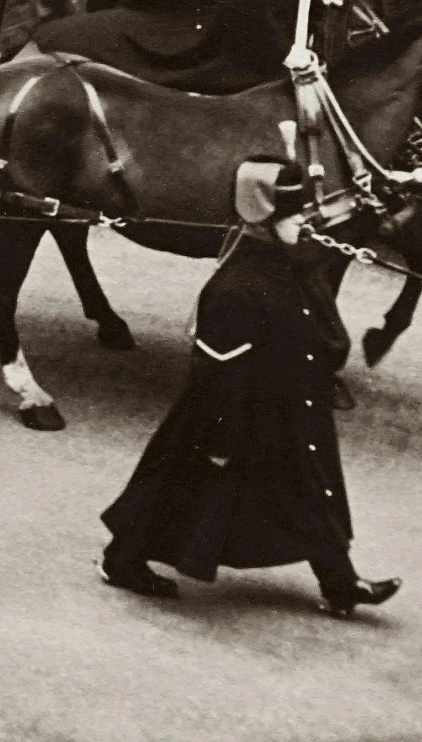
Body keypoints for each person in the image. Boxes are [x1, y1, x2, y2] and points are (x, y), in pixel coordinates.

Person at [100, 163, 400, 618]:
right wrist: (220, 438)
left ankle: (340, 583)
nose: (305, 222)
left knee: (310, 486)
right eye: (294, 216)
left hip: (286, 407)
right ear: (261, 217)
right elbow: (216, 376)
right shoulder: (235, 288)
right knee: (179, 483)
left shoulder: (287, 262)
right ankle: (122, 559)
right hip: (234, 415)